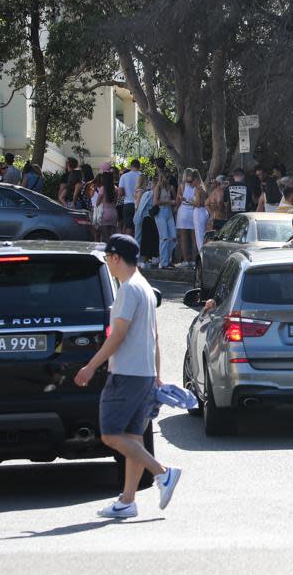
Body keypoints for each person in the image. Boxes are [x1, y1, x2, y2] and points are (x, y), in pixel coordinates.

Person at [74, 234, 181, 519]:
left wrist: (91, 365)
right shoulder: (144, 287)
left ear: (116, 257)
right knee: (133, 437)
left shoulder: (127, 290)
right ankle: (127, 500)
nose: (108, 263)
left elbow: (118, 335)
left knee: (110, 434)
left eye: (108, 258)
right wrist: (157, 375)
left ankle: (163, 473)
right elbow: (155, 336)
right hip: (143, 373)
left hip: (126, 374)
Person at [153, 172, 178, 269]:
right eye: (166, 177)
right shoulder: (158, 188)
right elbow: (155, 202)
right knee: (164, 237)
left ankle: (168, 259)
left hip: (168, 212)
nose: (168, 179)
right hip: (161, 212)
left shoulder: (169, 188)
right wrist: (168, 202)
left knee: (173, 237)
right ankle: (164, 262)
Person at [175, 170, 197, 267]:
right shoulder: (197, 186)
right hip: (193, 210)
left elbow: (177, 201)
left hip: (183, 211)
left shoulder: (182, 186)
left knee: (183, 237)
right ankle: (194, 259)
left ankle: (185, 260)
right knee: (194, 237)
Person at [119, 159, 142, 237]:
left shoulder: (124, 176)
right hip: (140, 204)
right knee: (139, 226)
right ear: (139, 166)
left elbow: (120, 192)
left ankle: (129, 244)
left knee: (129, 226)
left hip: (128, 203)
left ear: (131, 166)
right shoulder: (142, 176)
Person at [96, 171, 119, 242]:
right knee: (112, 238)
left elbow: (97, 203)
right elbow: (115, 202)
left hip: (104, 213)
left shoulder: (102, 189)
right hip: (114, 213)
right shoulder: (115, 189)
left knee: (105, 238)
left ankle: (106, 252)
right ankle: (112, 252)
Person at [190, 170, 209, 252]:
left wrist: (190, 202)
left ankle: (201, 256)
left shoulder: (198, 189)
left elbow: (197, 203)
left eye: (192, 181)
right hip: (204, 212)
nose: (191, 183)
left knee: (199, 235)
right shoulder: (203, 187)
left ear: (195, 179)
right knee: (203, 234)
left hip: (198, 212)